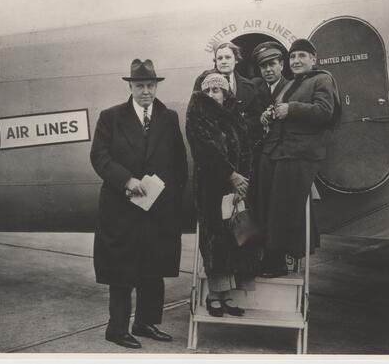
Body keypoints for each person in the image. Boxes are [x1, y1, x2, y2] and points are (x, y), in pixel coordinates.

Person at [90, 59, 188, 349]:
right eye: (140, 86)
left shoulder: (168, 117)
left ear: (156, 87)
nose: (146, 91)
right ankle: (116, 329)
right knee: (122, 269)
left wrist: (169, 197)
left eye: (150, 85)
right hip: (121, 207)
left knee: (153, 267)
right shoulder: (111, 117)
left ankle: (145, 323)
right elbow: (99, 157)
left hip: (157, 209)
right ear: (130, 87)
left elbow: (179, 163)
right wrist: (127, 181)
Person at [253, 39, 341, 278]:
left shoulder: (322, 79)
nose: (296, 61)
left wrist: (290, 109)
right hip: (277, 151)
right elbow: (282, 111)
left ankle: (277, 261)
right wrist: (269, 114)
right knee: (267, 204)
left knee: (283, 207)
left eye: (302, 56)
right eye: (293, 57)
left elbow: (325, 112)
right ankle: (270, 255)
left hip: (299, 152)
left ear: (314, 58)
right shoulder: (291, 84)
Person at [186, 73, 260, 317]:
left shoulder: (234, 116)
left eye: (216, 90)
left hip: (235, 189)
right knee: (215, 240)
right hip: (211, 188)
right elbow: (205, 150)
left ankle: (227, 296)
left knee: (233, 241)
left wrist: (243, 183)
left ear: (226, 92)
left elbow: (246, 149)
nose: (211, 95)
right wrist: (232, 175)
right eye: (208, 91)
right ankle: (213, 296)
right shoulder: (197, 115)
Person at [193, 42, 263, 147]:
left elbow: (256, 118)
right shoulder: (203, 80)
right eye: (220, 58)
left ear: (236, 59)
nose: (224, 61)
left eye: (228, 57)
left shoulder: (248, 86)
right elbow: (194, 116)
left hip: (241, 148)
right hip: (213, 147)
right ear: (215, 61)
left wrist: (241, 127)